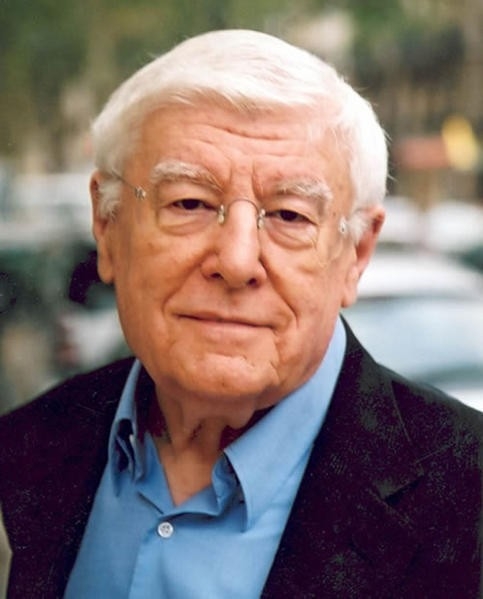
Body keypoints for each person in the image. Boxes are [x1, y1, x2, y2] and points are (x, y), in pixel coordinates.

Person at [0, 29, 481, 599]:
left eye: (289, 215)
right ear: (107, 228)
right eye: (189, 203)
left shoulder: (467, 500)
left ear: (356, 254)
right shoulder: (26, 449)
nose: (236, 261)